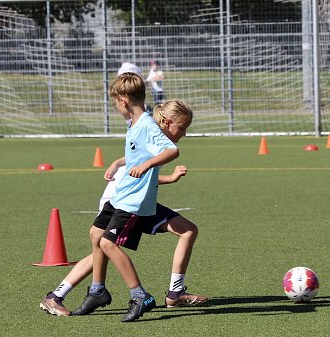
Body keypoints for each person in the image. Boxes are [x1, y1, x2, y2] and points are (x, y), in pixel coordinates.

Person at [40, 99, 206, 319]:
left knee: (186, 230)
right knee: (103, 247)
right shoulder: (150, 131)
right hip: (123, 200)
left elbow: (141, 168)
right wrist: (126, 165)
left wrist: (121, 163)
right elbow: (141, 167)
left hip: (140, 200)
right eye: (182, 128)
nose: (184, 133)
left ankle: (174, 293)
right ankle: (59, 296)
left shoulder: (150, 132)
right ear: (167, 122)